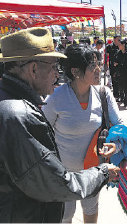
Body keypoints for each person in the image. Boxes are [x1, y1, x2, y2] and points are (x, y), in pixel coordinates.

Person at [0, 27, 119, 223]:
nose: (58, 73)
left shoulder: (10, 101)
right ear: (34, 69)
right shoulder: (18, 115)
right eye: (54, 66)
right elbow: (56, 185)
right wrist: (103, 172)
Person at [42, 44, 123, 223]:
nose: (98, 70)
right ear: (76, 71)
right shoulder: (56, 97)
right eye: (92, 66)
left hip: (93, 169)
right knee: (65, 215)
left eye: (98, 64)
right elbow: (42, 132)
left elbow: (119, 126)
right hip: (64, 174)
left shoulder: (103, 93)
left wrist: (115, 145)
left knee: (91, 208)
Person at [105, 35, 121, 100]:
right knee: (114, 81)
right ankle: (116, 95)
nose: (119, 41)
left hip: (120, 67)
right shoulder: (109, 47)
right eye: (118, 39)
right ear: (114, 39)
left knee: (120, 81)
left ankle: (121, 95)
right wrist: (106, 64)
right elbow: (106, 56)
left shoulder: (120, 46)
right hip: (113, 67)